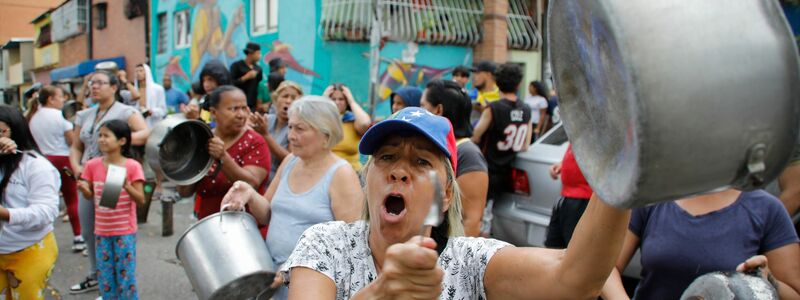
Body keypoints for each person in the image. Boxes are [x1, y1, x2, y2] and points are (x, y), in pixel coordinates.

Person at [280, 107, 631, 299]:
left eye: (421, 163)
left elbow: (575, 280)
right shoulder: (326, 244)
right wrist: (382, 294)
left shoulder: (471, 262)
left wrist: (622, 165)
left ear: (446, 194)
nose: (399, 171)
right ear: (366, 177)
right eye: (386, 157)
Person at [222, 96, 364, 300]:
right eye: (290, 127)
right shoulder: (290, 161)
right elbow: (267, 215)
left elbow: (353, 245)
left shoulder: (341, 175)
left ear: (326, 133)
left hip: (312, 287)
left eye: (300, 129)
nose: (291, 136)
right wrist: (249, 193)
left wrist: (297, 265)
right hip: (271, 280)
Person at [603, 189, 800, 300]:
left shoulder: (766, 208)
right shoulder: (653, 195)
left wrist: (768, 281)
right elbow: (606, 267)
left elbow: (794, 294)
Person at [68, 71, 148, 294]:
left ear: (114, 87)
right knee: (91, 229)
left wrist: (117, 146)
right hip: (90, 171)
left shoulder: (126, 111)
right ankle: (98, 275)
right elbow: (75, 146)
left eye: (100, 83)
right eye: (92, 83)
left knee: (116, 219)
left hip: (114, 171)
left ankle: (121, 286)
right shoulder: (84, 114)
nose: (94, 87)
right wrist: (77, 167)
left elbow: (145, 132)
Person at [176, 86, 269, 222]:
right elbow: (184, 192)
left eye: (244, 108)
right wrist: (189, 159)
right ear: (214, 112)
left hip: (245, 228)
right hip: (208, 225)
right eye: (233, 109)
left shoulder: (255, 142)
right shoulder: (203, 140)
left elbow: (251, 183)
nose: (241, 115)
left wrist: (223, 157)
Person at [76, 120, 145, 300]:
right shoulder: (92, 165)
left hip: (124, 232)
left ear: (122, 141)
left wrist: (127, 186)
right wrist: (85, 191)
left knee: (126, 278)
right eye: (100, 135)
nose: (101, 140)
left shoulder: (132, 166)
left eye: (106, 136)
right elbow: (91, 196)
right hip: (102, 232)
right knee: (106, 278)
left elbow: (141, 199)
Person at [0, 105, 60, 300]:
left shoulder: (36, 165)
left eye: (1, 131)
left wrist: (6, 214)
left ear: (16, 130)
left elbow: (46, 212)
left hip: (29, 249)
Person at [420, 79, 488, 237]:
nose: (420, 111)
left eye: (423, 106)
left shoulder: (468, 154)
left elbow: (471, 220)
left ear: (438, 110)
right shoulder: (436, 148)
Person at [29, 86, 84, 251]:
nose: (63, 100)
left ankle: (42, 239)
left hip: (42, 160)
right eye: (60, 97)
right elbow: (72, 141)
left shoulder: (34, 118)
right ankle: (78, 236)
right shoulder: (59, 117)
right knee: (71, 197)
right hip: (62, 159)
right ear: (51, 99)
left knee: (45, 200)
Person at [472, 63, 532, 203]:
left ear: (497, 83)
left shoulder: (493, 108)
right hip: (509, 172)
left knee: (481, 214)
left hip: (487, 170)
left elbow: (475, 137)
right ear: (518, 85)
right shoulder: (526, 109)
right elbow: (525, 145)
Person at [251, 81, 302, 184]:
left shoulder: (299, 127)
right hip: (257, 177)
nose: (288, 101)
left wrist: (265, 135)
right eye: (285, 96)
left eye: (293, 98)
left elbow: (291, 159)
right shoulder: (266, 120)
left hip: (279, 182)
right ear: (275, 100)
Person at [544, 145, 592, 248]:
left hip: (583, 200)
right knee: (553, 249)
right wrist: (563, 164)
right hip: (565, 198)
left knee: (573, 250)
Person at [323, 83, 371, 170]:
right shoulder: (322, 120)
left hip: (352, 171)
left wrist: (351, 100)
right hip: (325, 171)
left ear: (346, 102)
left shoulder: (353, 120)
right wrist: (322, 100)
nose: (337, 102)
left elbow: (365, 123)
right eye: (333, 99)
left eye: (341, 99)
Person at [230, 42, 264, 112]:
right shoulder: (236, 66)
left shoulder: (258, 68)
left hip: (253, 106)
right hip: (237, 104)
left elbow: (259, 86)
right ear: (250, 53)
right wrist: (245, 78)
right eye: (258, 53)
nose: (260, 56)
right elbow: (231, 84)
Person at [198, 60, 232, 125]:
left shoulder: (233, 103)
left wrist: (196, 118)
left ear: (222, 79)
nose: (206, 85)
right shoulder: (206, 103)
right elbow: (206, 124)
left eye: (210, 79)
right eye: (203, 80)